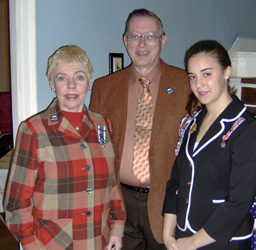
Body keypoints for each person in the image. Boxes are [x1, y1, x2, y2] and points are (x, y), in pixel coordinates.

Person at [4, 45, 125, 250]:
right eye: (61, 78)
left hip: (99, 239)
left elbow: (112, 184)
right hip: (53, 243)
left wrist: (117, 228)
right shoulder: (33, 130)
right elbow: (16, 202)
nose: (71, 85)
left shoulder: (102, 125)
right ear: (52, 83)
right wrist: (31, 245)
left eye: (79, 77)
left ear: (88, 81)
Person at [89, 8, 191, 250]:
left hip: (167, 205)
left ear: (162, 41)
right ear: (126, 41)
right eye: (135, 36)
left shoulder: (187, 84)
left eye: (150, 36)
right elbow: (95, 149)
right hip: (119, 203)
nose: (142, 44)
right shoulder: (103, 88)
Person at [163, 40, 256, 250]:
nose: (198, 84)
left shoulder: (248, 129)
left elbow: (239, 202)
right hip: (183, 236)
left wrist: (192, 243)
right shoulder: (193, 122)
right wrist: (167, 233)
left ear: (227, 72)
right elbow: (176, 180)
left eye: (207, 74)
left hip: (223, 242)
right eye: (192, 76)